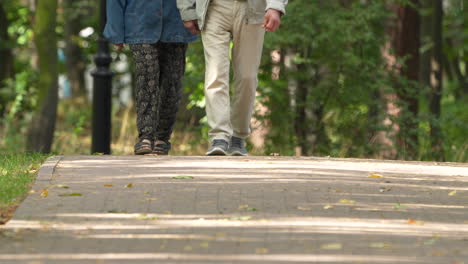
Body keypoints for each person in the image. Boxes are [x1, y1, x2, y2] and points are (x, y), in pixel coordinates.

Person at [177, 0, 288, 156]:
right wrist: (187, 9)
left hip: (253, 9)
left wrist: (275, 6)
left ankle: (238, 136)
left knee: (247, 77)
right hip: (214, 9)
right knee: (216, 73)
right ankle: (219, 136)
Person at [104, 0, 197, 155]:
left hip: (176, 23)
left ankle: (162, 138)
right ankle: (146, 137)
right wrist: (116, 31)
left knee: (172, 84)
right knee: (147, 78)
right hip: (139, 23)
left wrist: (195, 16)